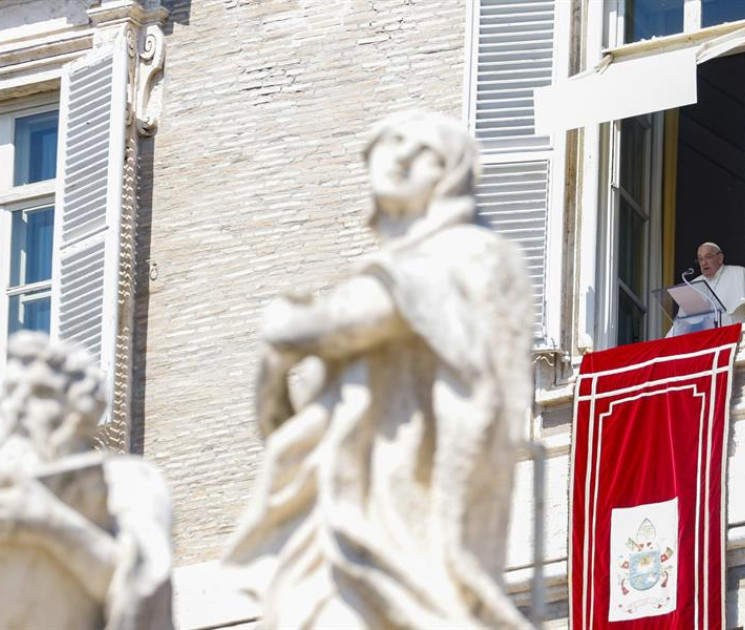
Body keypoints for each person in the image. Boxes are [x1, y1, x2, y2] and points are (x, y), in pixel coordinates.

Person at [222, 111, 533, 628]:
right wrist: (280, 361)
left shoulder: (468, 253)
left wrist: (286, 327)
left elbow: (339, 324)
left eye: (425, 152)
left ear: (452, 175)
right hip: (343, 517)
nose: (401, 156)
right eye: (390, 143)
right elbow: (285, 424)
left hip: (404, 517)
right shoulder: (395, 271)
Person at [0, 332, 174, 630]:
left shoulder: (128, 479)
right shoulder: (3, 501)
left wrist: (46, 521)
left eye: (39, 393)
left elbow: (145, 585)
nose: (19, 407)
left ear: (78, 409)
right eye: (10, 393)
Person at [692, 241, 745, 325]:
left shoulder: (739, 273)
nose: (704, 263)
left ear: (720, 258)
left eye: (708, 257)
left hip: (737, 333)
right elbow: (682, 321)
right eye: (700, 259)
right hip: (706, 335)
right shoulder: (693, 284)